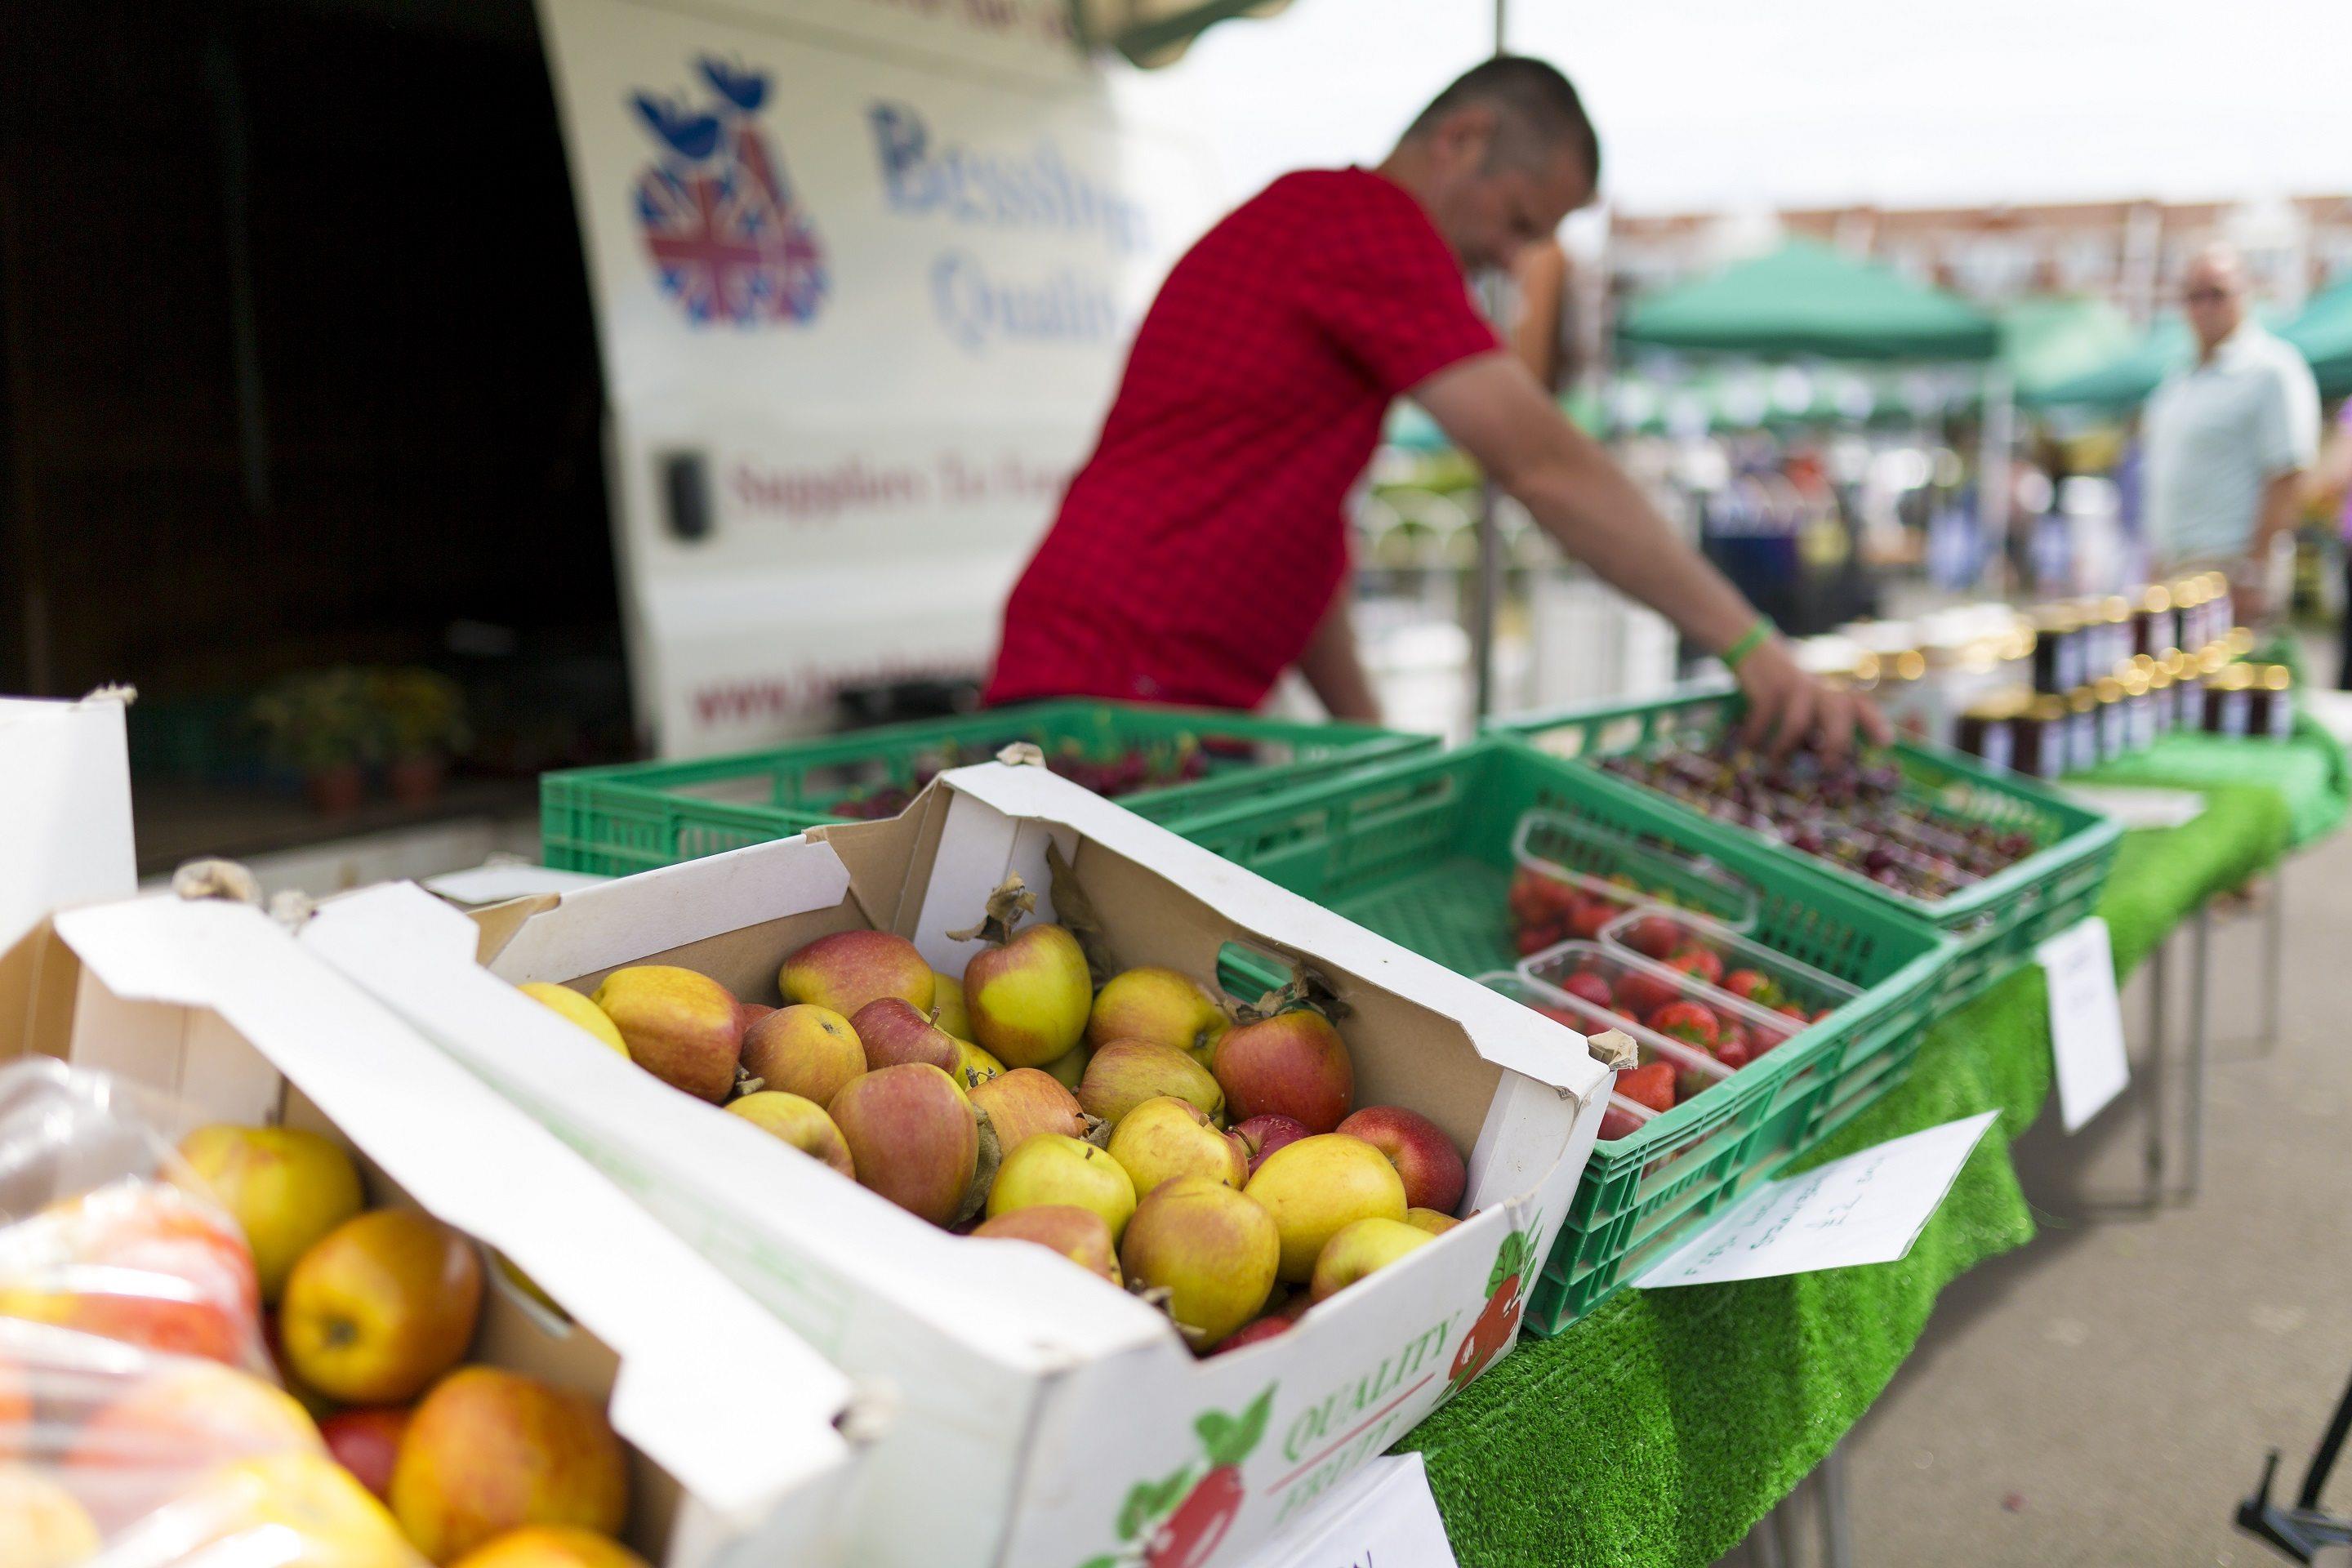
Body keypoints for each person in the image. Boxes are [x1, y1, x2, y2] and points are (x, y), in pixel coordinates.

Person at [983, 57, 1885, 758]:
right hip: (1110, 697)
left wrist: (1366, 738)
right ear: (1463, 137)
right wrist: (1751, 648)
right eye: (1521, 221)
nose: (1509, 257)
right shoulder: (1367, 224)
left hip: (1128, 690)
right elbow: (1543, 463)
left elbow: (1301, 536)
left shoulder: (1314, 230)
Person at [2142, 245, 2321, 621]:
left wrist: (2253, 572)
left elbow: (2288, 475)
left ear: (2246, 295)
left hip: (2231, 571)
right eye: (2194, 296)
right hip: (2177, 569)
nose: (2205, 307)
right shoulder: (2179, 380)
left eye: (2217, 294)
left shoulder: (2272, 369)